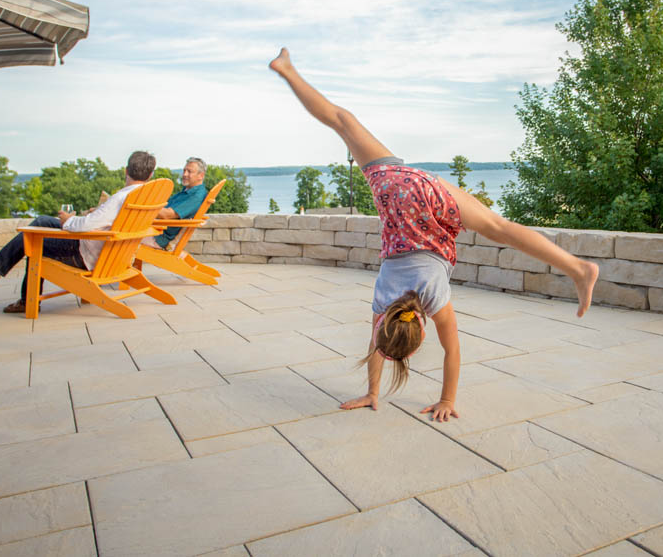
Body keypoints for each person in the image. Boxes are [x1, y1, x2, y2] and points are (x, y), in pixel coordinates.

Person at [269, 48, 599, 422]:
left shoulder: (433, 298)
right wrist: (372, 391)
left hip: (429, 205)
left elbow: (452, 351)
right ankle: (288, 71)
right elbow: (378, 345)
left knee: (500, 229)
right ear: (386, 323)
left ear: (420, 331)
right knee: (343, 122)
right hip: (400, 190)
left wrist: (446, 401)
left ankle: (578, 269)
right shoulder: (383, 300)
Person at [0, 151, 157, 314]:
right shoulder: (145, 200)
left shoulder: (120, 198)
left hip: (85, 255)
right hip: (115, 256)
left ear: (126, 170)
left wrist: (68, 220)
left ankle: (21, 295)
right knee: (42, 221)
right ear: (149, 176)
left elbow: (84, 226)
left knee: (33, 240)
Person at [142, 157, 209, 250]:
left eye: (189, 171)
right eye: (184, 170)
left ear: (201, 175)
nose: (185, 174)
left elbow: (167, 215)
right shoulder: (187, 191)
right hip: (154, 230)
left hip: (159, 237)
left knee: (121, 238)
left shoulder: (196, 196)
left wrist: (144, 206)